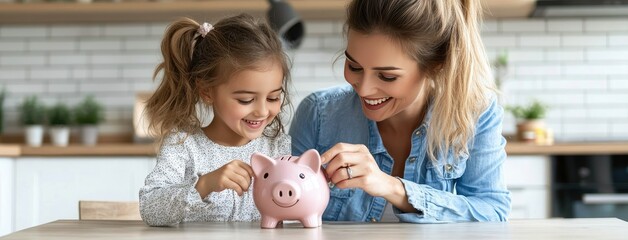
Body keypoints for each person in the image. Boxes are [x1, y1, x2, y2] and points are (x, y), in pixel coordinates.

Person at [289, 0, 511, 223]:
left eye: (387, 76)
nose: (364, 89)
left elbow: (492, 211)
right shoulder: (318, 113)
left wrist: (393, 187)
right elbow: (287, 215)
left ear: (435, 65)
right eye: (354, 67)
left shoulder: (475, 113)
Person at [139, 14, 292, 226]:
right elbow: (150, 208)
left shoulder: (277, 146)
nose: (262, 111)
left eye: (273, 97)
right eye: (246, 100)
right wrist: (204, 185)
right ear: (207, 91)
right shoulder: (183, 145)